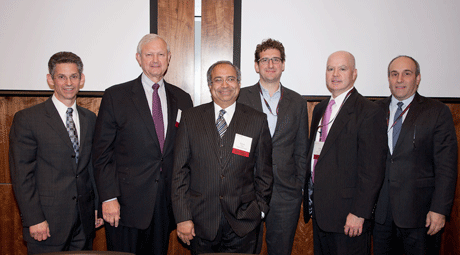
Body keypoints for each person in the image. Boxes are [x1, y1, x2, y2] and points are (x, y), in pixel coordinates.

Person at [92, 34, 193, 254]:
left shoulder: (183, 98)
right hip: (123, 206)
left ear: (169, 58)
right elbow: (102, 153)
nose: (155, 60)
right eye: (149, 54)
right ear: (138, 58)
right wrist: (108, 198)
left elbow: (185, 153)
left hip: (164, 205)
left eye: (160, 54)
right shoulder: (116, 96)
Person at [172, 60, 273, 254]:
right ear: (210, 85)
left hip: (243, 223)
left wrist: (259, 211)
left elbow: (264, 173)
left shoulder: (257, 120)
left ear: (239, 83)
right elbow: (179, 172)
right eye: (218, 80)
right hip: (200, 223)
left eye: (230, 79)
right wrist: (183, 217)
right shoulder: (190, 118)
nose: (225, 85)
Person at [9, 52, 103, 254]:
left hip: (84, 223)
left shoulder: (90, 119)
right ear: (50, 80)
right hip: (46, 225)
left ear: (82, 79)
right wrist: (34, 219)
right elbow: (22, 176)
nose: (68, 82)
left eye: (74, 76)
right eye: (61, 77)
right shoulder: (28, 119)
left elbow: (91, 168)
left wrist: (96, 207)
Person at [303, 51, 387, 254]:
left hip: (349, 217)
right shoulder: (321, 109)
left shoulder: (368, 111)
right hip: (321, 213)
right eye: (330, 69)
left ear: (354, 73)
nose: (335, 74)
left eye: (342, 68)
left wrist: (359, 213)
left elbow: (372, 170)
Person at [373, 55, 458, 255]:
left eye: (407, 73)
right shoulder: (375, 111)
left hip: (420, 215)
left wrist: (439, 209)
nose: (400, 79)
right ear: (389, 79)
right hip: (382, 216)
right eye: (394, 74)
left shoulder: (437, 112)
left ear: (418, 78)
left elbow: (447, 166)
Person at [238, 38, 308, 255]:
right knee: (248, 248)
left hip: (286, 192)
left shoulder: (297, 102)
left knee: (281, 249)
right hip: (248, 190)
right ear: (256, 65)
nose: (270, 64)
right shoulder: (241, 97)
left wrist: (297, 185)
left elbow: (301, 149)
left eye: (275, 59)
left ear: (283, 64)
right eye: (264, 60)